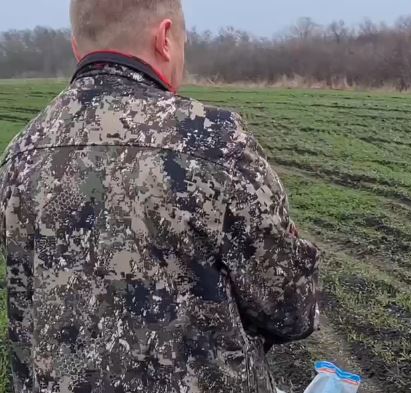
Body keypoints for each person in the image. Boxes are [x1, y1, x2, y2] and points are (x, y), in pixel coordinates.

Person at [0, 0, 321, 392]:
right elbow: (291, 312)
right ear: (165, 38)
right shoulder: (214, 143)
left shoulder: (21, 153)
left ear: (76, 48)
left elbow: (23, 312)